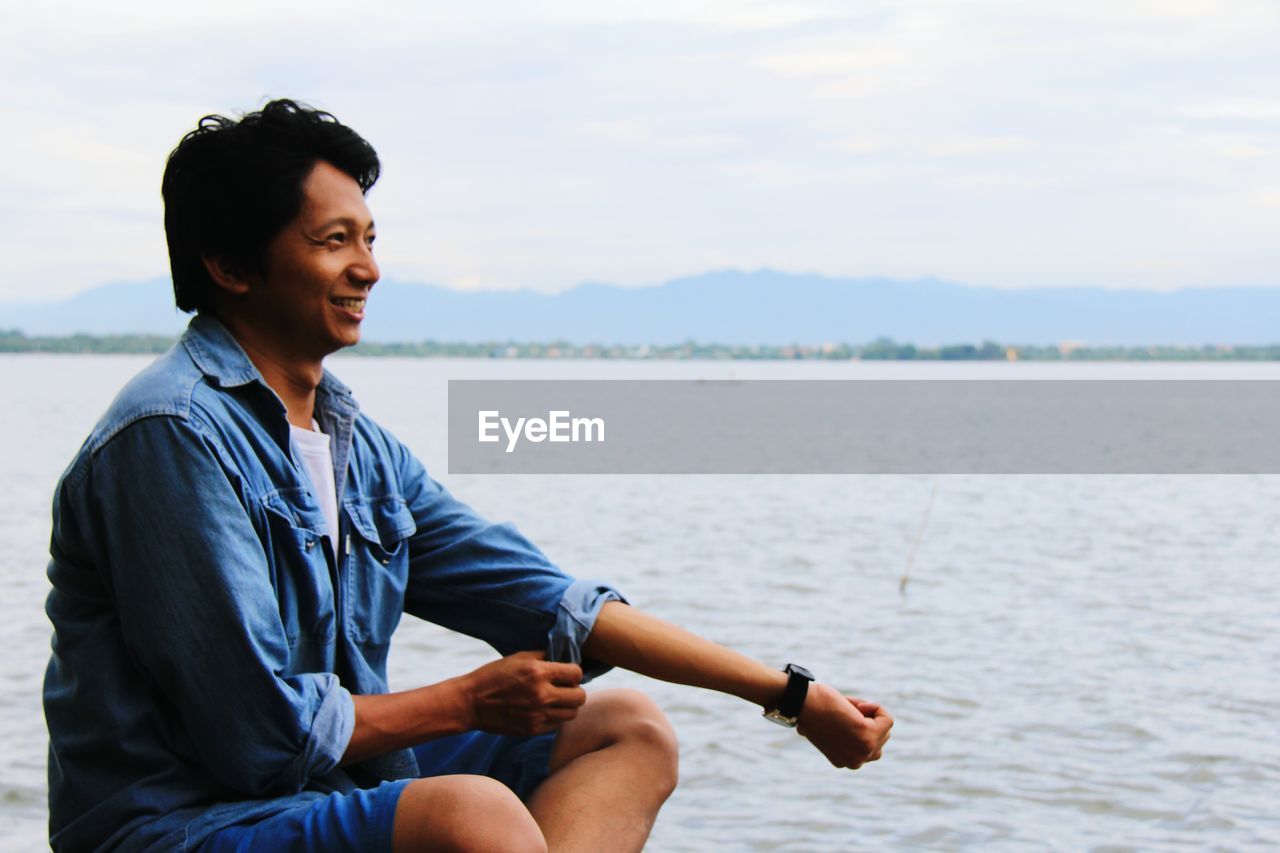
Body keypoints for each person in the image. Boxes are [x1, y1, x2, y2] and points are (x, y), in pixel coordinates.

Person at [43, 99, 892, 853]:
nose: (368, 267)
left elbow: (556, 604)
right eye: (334, 241)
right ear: (230, 265)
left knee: (628, 727)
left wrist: (792, 694)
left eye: (369, 239)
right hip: (176, 820)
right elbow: (260, 737)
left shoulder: (353, 444)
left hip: (310, 792)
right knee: (470, 813)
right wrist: (470, 700)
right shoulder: (173, 435)